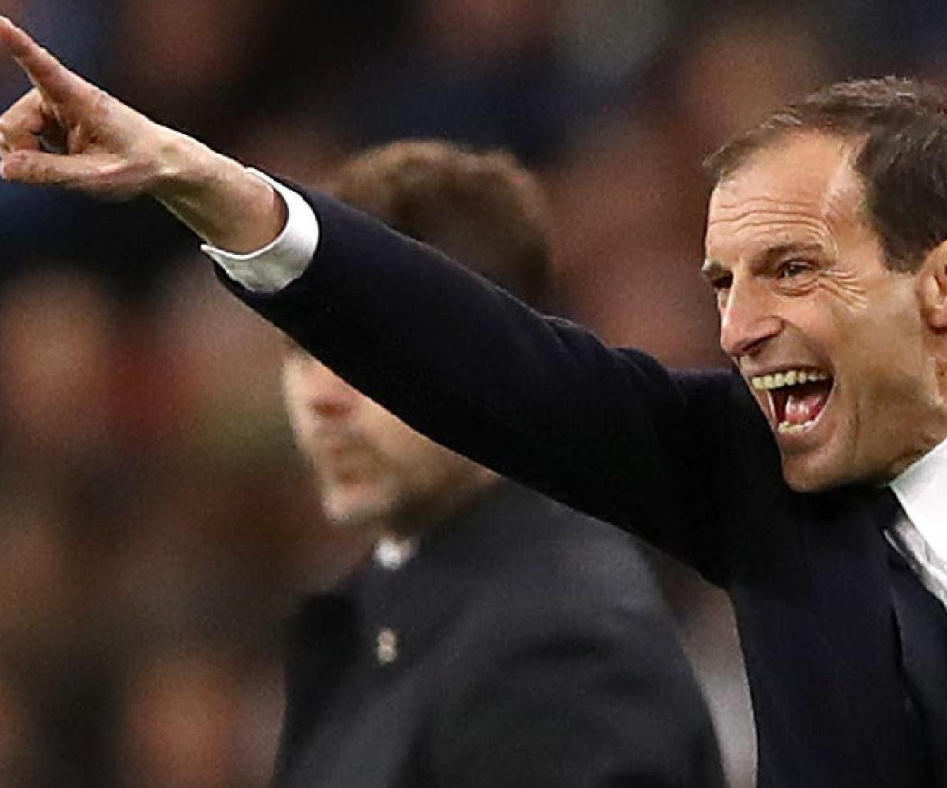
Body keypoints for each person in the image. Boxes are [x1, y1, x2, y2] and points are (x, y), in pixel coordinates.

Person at [3, 17, 947, 788]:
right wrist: (210, 187)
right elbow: (489, 363)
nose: (735, 330)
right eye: (722, 282)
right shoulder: (752, 468)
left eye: (790, 271)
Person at [266, 140, 724, 787]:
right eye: (300, 346)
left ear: (494, 353)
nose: (321, 395)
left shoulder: (558, 646)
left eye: (363, 350)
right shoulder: (378, 613)